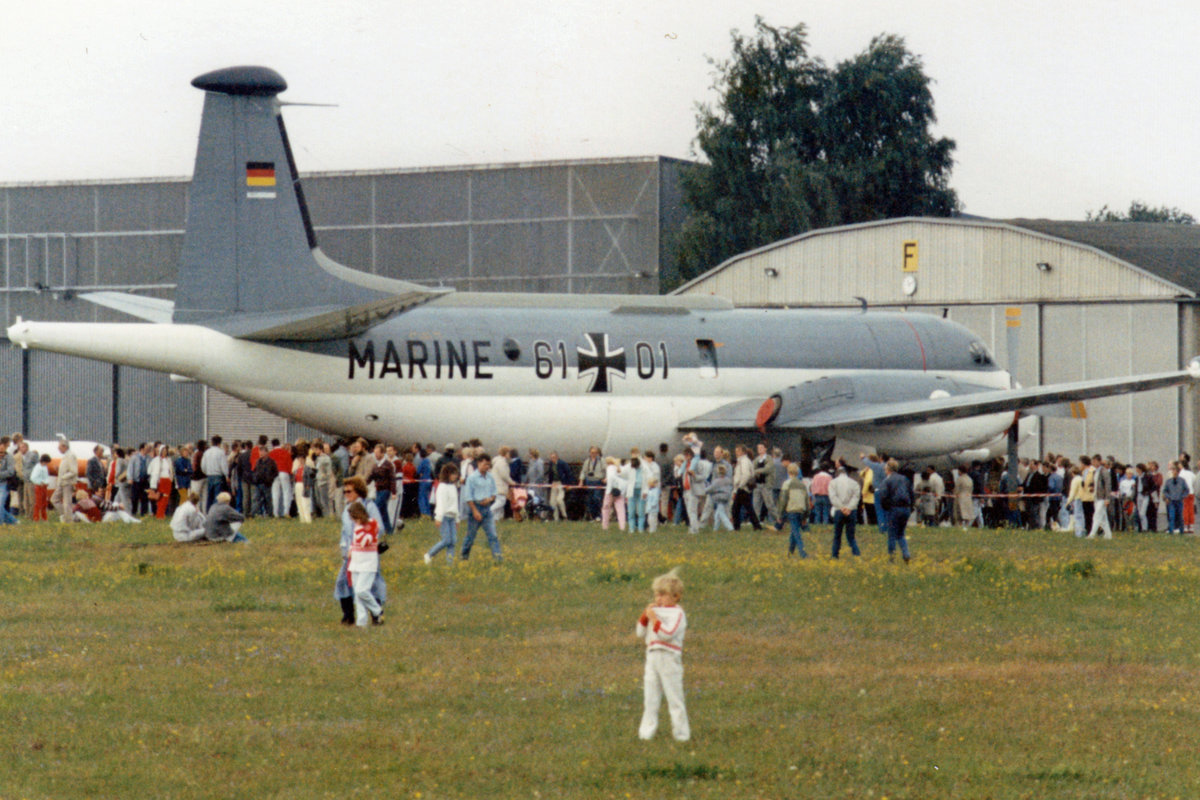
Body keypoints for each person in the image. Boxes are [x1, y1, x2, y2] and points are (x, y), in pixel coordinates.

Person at [636, 567, 689, 742]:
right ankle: (646, 734)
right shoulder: (654, 611)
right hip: (652, 657)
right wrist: (645, 616)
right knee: (650, 698)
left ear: (676, 596)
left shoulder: (678, 614)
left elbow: (667, 634)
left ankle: (681, 735)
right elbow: (640, 632)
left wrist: (654, 618)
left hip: (669, 657)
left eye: (663, 595)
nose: (658, 598)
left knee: (675, 698)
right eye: (656, 594)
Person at [335, 477, 387, 624]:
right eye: (344, 491)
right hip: (351, 554)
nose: (346, 494)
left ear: (358, 491)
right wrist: (344, 548)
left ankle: (376, 615)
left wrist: (365, 537)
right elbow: (344, 532)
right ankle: (349, 615)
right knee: (343, 581)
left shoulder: (369, 506)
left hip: (367, 553)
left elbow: (379, 528)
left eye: (349, 491)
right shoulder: (347, 509)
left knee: (372, 583)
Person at [347, 502, 384, 627]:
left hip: (368, 562)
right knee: (358, 596)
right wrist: (351, 549)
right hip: (355, 562)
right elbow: (354, 541)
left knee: (362, 590)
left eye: (354, 518)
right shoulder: (357, 527)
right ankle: (361, 622)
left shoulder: (372, 523)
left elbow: (365, 541)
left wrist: (359, 530)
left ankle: (377, 610)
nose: (354, 521)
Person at [461, 453, 503, 563]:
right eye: (485, 464)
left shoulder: (490, 477)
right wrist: (475, 511)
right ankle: (464, 557)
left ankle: (498, 559)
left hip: (487, 509)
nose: (487, 467)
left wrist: (490, 499)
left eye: (488, 465)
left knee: (493, 535)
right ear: (479, 463)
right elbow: (468, 497)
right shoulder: (472, 478)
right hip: (475, 507)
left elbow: (494, 493)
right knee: (470, 537)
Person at [876, 459, 913, 563]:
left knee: (891, 535)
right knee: (901, 533)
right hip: (906, 508)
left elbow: (883, 496)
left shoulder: (887, 481)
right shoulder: (905, 479)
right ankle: (906, 553)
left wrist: (886, 508)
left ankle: (891, 558)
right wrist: (911, 507)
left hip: (894, 508)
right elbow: (911, 493)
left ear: (888, 469)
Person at [425, 462, 460, 564]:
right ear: (447, 474)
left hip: (452, 517)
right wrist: (439, 518)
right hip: (444, 517)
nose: (455, 476)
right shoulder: (442, 487)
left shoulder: (453, 487)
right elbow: (441, 504)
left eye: (456, 474)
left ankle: (450, 563)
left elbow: (455, 504)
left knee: (453, 541)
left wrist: (457, 519)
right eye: (453, 474)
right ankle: (429, 554)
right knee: (446, 540)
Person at [774, 462, 809, 557]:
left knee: (796, 532)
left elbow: (783, 500)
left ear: (788, 472)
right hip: (801, 510)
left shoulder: (786, 484)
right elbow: (807, 501)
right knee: (794, 531)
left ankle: (803, 553)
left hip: (792, 510)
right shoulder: (802, 485)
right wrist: (806, 516)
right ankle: (790, 552)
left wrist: (779, 515)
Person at [828, 464, 862, 558]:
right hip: (851, 511)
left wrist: (841, 507)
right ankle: (856, 553)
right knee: (851, 536)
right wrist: (849, 507)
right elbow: (856, 497)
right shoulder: (854, 483)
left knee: (837, 535)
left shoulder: (833, 483)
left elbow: (833, 497)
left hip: (839, 510)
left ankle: (835, 555)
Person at [51, 439, 78, 523]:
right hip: (62, 482)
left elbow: (74, 471)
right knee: (54, 499)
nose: (58, 450)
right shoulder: (66, 456)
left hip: (67, 482)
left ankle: (68, 520)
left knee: (67, 502)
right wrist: (59, 470)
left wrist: (63, 477)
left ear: (64, 446)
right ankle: (66, 516)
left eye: (59, 448)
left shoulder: (71, 456)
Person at [704, 463, 734, 531]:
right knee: (717, 514)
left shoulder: (716, 481)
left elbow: (710, 488)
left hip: (719, 498)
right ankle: (715, 528)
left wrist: (703, 490)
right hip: (727, 497)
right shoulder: (728, 480)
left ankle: (730, 527)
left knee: (721, 513)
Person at [601, 456, 627, 531]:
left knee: (606, 508)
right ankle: (622, 526)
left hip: (610, 490)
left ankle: (605, 526)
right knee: (620, 509)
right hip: (620, 491)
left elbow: (611, 477)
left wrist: (610, 484)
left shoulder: (610, 468)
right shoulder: (622, 468)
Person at [1163, 467, 1188, 535]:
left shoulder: (1182, 481)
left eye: (1175, 471)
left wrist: (1183, 496)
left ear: (1177, 472)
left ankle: (1181, 531)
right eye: (1173, 471)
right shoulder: (1168, 481)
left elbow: (1186, 490)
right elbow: (1165, 490)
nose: (1173, 473)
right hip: (1172, 501)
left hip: (1179, 500)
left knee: (1180, 516)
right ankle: (1171, 531)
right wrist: (1168, 497)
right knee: (1172, 516)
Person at [29, 453, 51, 521]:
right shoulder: (37, 467)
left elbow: (46, 476)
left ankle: (44, 518)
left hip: (44, 486)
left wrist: (47, 482)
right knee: (38, 503)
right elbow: (33, 477)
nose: (47, 464)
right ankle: (36, 518)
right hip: (39, 486)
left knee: (44, 503)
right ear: (43, 461)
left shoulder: (45, 467)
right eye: (46, 462)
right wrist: (39, 482)